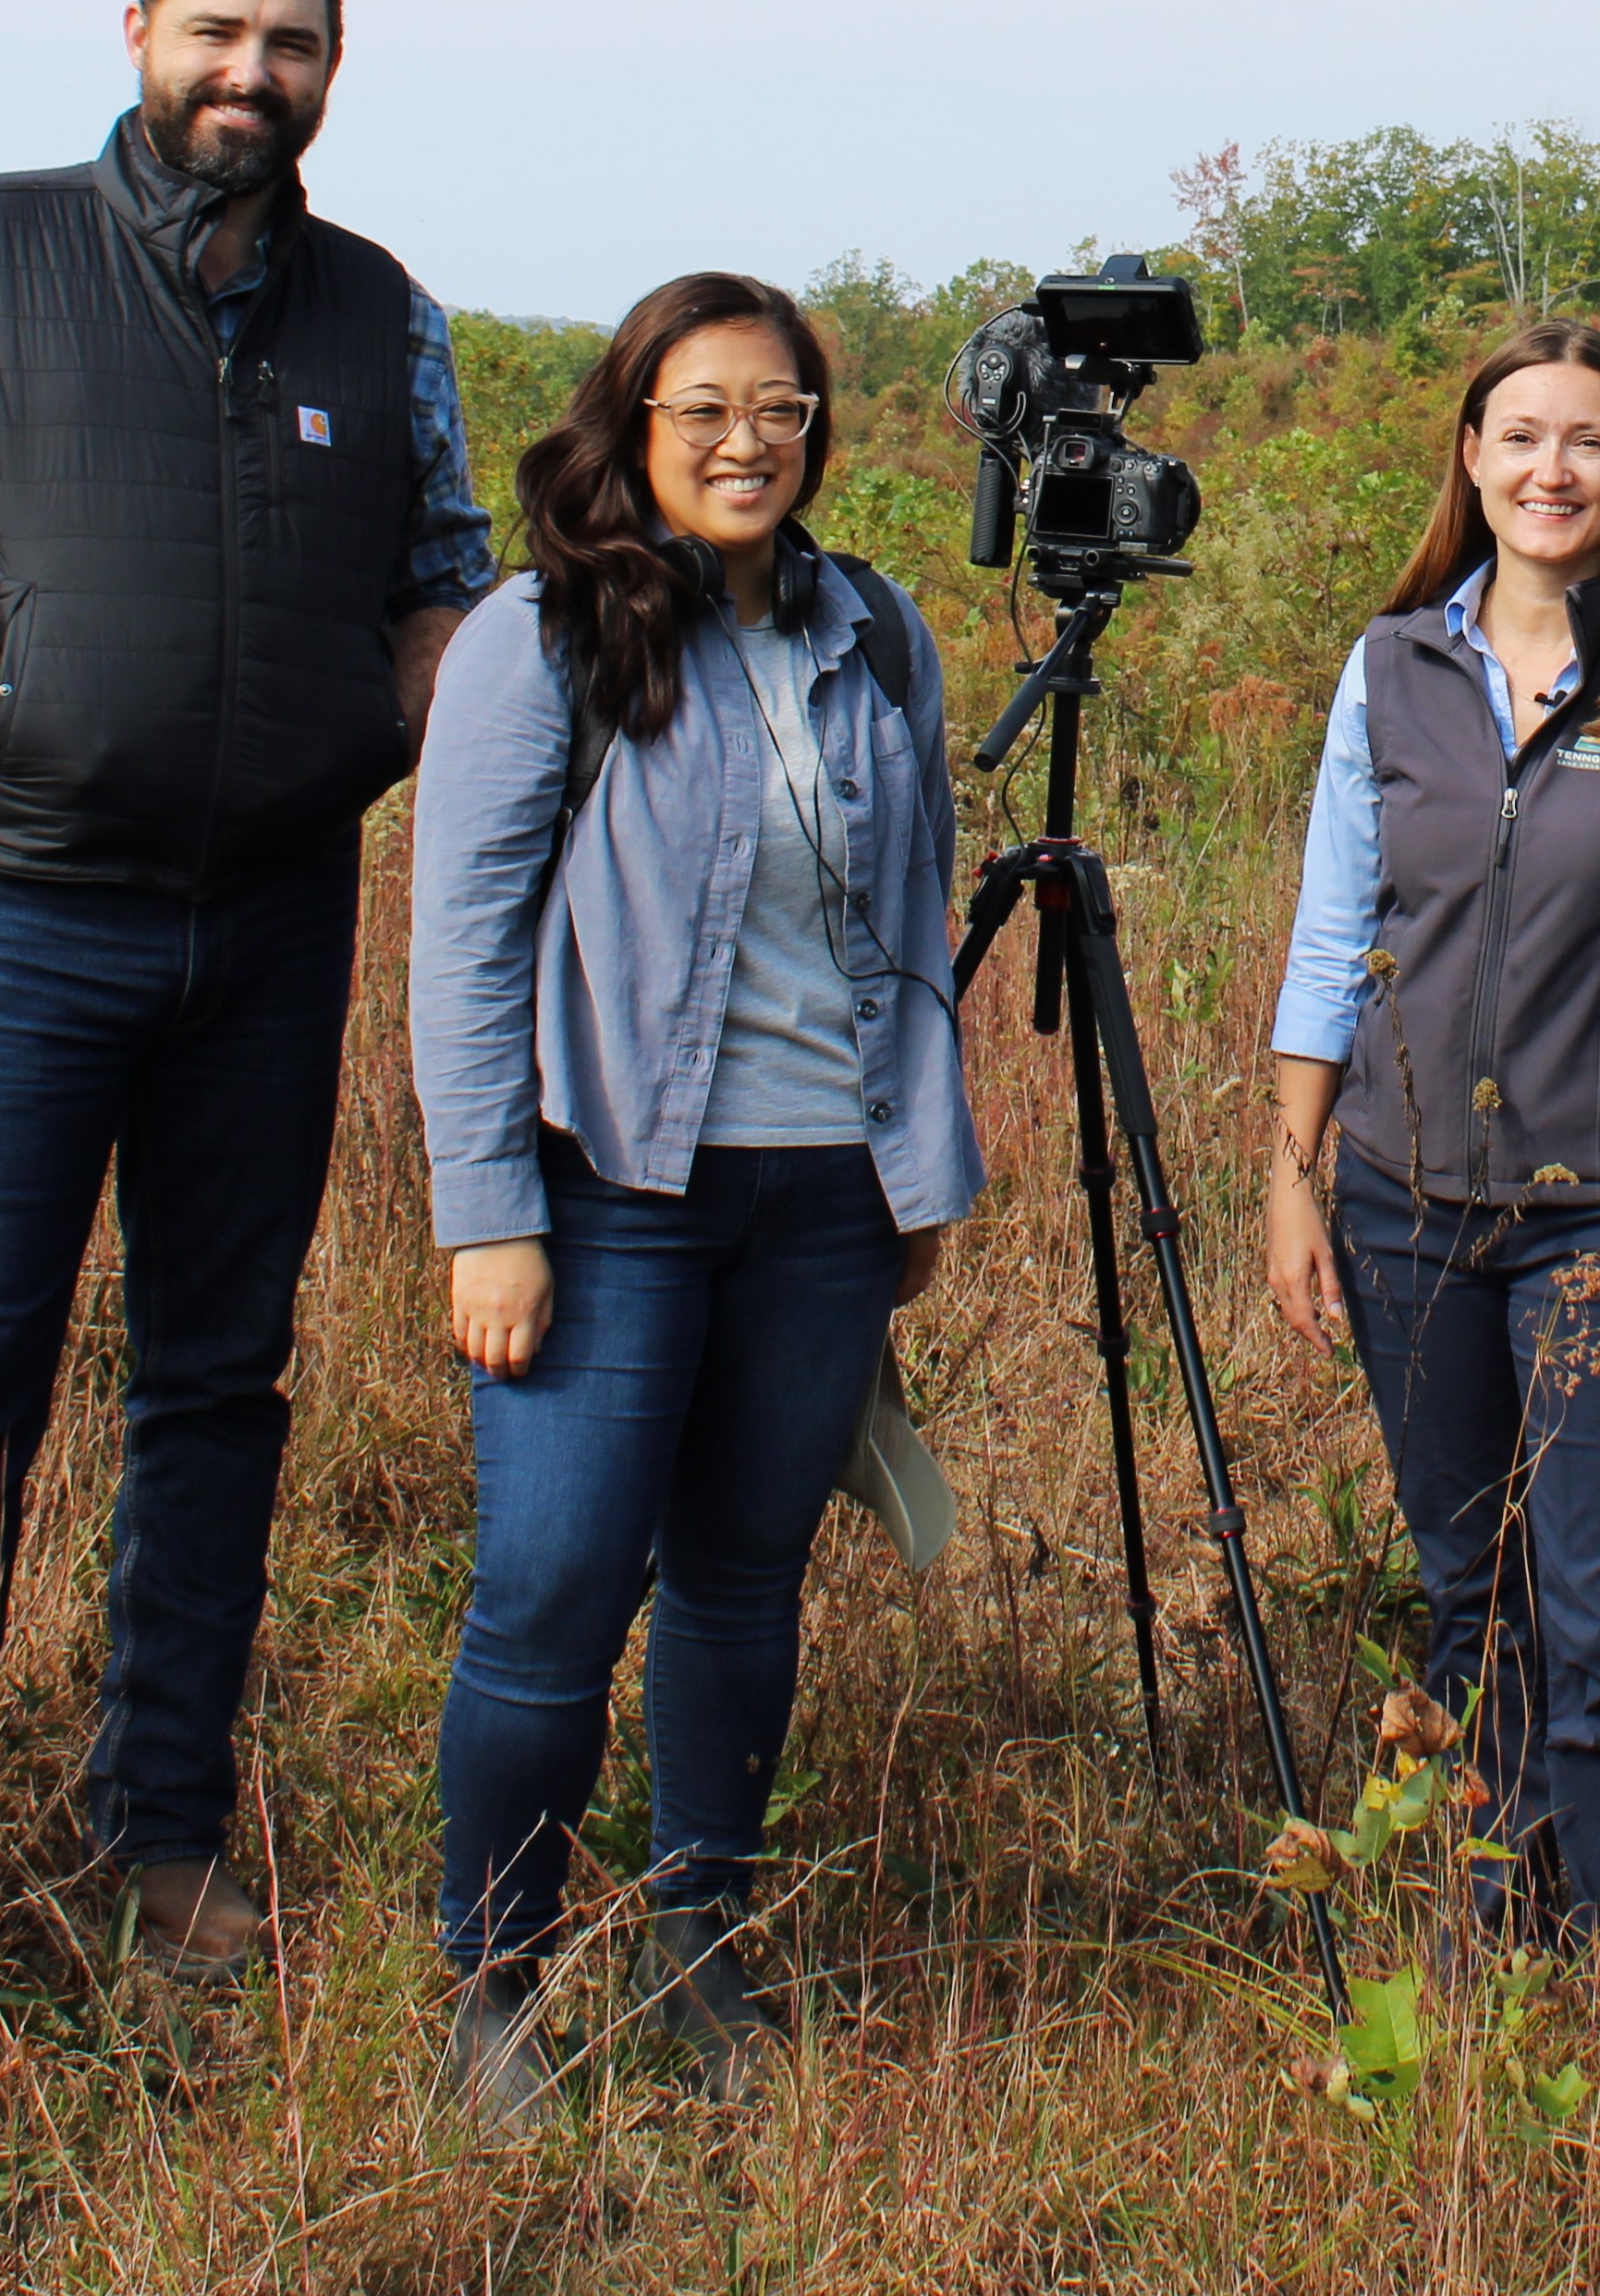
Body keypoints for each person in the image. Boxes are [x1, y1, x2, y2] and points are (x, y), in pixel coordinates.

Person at [0, 0, 499, 1975]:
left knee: (216, 1385)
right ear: (140, 30)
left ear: (337, 66)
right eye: (218, 31)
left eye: (293, 43)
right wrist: (11, 710)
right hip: (15, 911)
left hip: (269, 922)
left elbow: (444, 566)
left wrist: (393, 710)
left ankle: (163, 1836)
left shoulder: (382, 308)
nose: (251, 73)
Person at [402, 272, 976, 2121]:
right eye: (708, 407)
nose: (749, 440)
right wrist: (486, 1203)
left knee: (743, 1576)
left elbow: (915, 917)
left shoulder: (873, 628)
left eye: (784, 408)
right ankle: (493, 1978)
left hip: (821, 1190)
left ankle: (701, 1933)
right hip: (611, 1190)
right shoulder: (546, 626)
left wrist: (921, 1158)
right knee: (557, 1582)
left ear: (819, 429)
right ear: (635, 423)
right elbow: (465, 942)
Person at [1260, 322, 1600, 2047]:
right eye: (1520, 435)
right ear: (1469, 456)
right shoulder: (1389, 665)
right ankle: (1503, 1917)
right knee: (1475, 1592)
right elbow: (1339, 930)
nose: (1553, 469)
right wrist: (1292, 1170)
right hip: (1401, 1199)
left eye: (1590, 442)